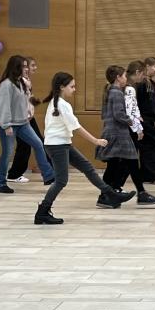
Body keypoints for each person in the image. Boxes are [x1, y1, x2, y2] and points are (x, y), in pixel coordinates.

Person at [36, 72, 136, 225]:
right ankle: (42, 211)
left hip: (61, 144)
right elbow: (77, 128)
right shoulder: (62, 105)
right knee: (61, 181)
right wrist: (96, 141)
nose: (74, 89)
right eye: (72, 87)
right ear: (62, 87)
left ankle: (110, 194)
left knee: (87, 168)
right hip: (57, 146)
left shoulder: (57, 103)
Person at [97, 65, 155, 208]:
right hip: (118, 134)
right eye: (124, 76)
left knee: (116, 164)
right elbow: (119, 114)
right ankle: (134, 194)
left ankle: (108, 194)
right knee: (127, 161)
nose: (126, 78)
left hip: (115, 132)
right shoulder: (117, 93)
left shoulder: (111, 91)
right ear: (118, 78)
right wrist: (133, 122)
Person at [0, 55, 55, 193]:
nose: (27, 69)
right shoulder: (6, 85)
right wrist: (6, 125)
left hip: (23, 123)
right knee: (7, 153)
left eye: (27, 66)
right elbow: (4, 106)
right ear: (17, 67)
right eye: (24, 66)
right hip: (9, 124)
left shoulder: (21, 83)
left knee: (38, 144)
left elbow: (24, 102)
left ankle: (49, 176)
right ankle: (0, 183)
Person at [6, 56, 47, 183]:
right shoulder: (21, 82)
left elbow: (27, 98)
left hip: (28, 118)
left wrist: (34, 101)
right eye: (32, 65)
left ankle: (14, 173)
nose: (35, 68)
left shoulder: (26, 81)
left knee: (28, 145)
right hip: (23, 120)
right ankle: (15, 174)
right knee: (31, 145)